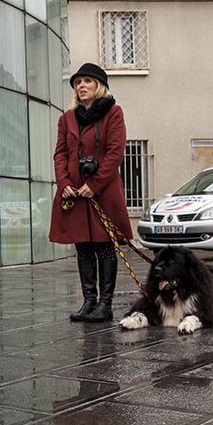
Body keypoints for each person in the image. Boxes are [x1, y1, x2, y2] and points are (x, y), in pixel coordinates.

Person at [49, 63, 133, 323]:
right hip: (74, 195)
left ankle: (105, 305)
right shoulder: (67, 118)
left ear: (99, 86)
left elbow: (115, 152)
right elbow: (60, 153)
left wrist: (94, 184)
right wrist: (63, 183)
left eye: (87, 81)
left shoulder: (113, 113)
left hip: (102, 193)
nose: (81, 86)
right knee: (83, 248)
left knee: (104, 247)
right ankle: (89, 302)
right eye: (77, 82)